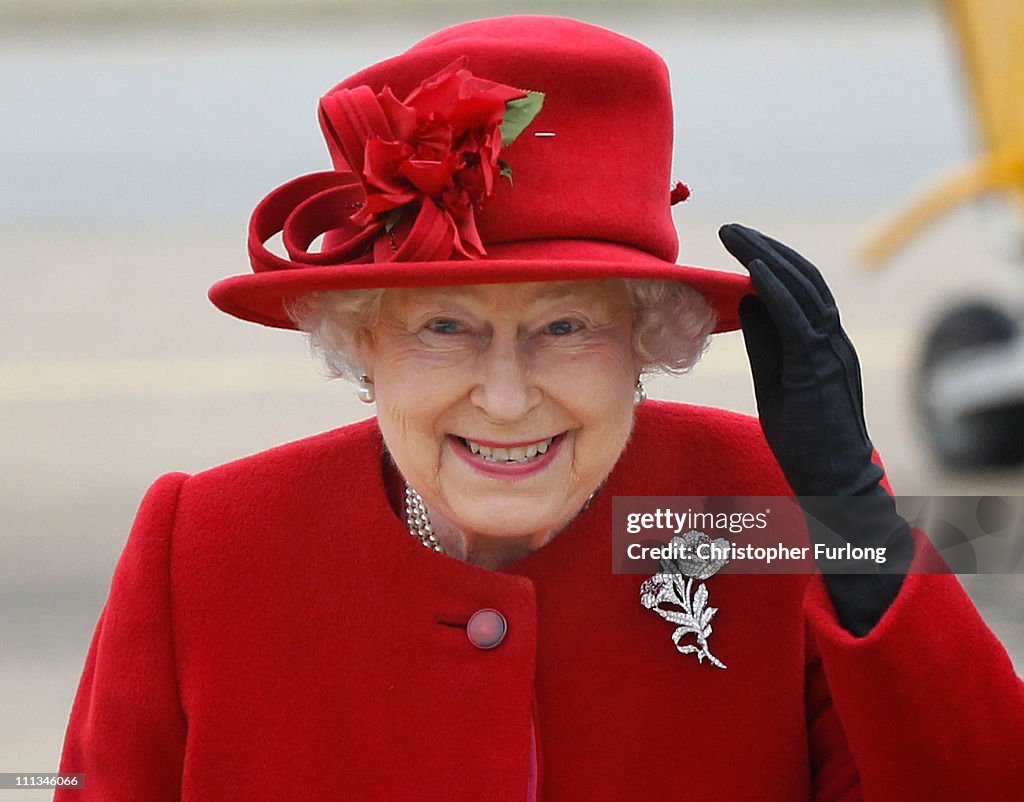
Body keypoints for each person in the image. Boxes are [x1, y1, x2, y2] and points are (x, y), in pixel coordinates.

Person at [56, 15, 1023, 801]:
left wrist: (860, 527)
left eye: (566, 328)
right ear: (360, 343)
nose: (508, 396)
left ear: (648, 342)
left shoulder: (761, 518)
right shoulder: (204, 546)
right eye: (444, 326)